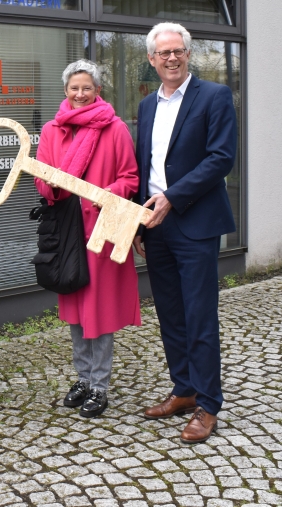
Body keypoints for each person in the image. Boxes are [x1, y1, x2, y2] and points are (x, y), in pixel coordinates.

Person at [133, 22, 237, 444]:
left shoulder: (214, 96)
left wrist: (173, 198)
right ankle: (185, 389)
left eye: (178, 51)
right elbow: (146, 166)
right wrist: (138, 221)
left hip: (194, 222)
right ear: (152, 59)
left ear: (188, 54)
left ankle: (209, 404)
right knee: (171, 315)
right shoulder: (147, 106)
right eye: (164, 53)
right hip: (155, 225)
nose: (171, 58)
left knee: (199, 316)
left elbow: (220, 158)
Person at [35, 59, 141, 418]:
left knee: (100, 306)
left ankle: (100, 385)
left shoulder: (116, 129)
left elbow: (130, 177)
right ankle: (82, 377)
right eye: (74, 88)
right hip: (67, 228)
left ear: (98, 91)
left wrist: (106, 193)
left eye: (87, 88)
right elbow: (41, 176)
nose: (80, 94)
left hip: (104, 227)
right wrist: (49, 186)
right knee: (76, 305)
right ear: (65, 91)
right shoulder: (52, 130)